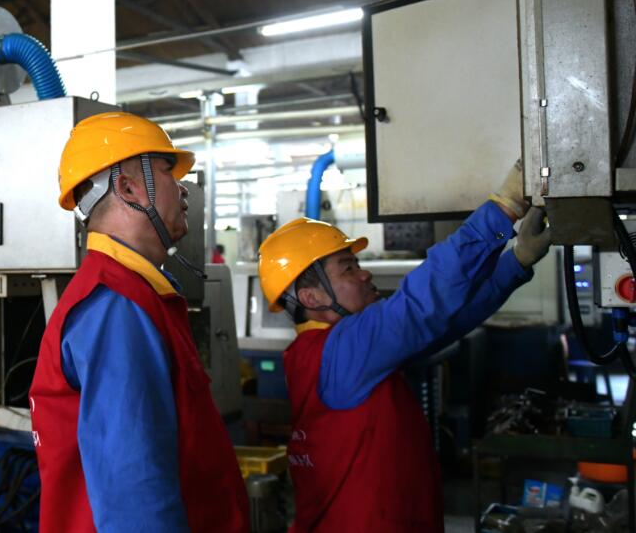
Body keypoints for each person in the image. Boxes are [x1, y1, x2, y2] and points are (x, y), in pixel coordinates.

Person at [257, 161, 552, 532]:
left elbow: (444, 322)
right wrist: (504, 208)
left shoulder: (328, 353)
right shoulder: (342, 351)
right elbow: (423, 299)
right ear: (311, 297)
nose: (364, 273)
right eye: (348, 268)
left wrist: (515, 262)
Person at [29, 112, 248, 533]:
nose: (182, 188)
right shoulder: (117, 306)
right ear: (128, 187)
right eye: (168, 171)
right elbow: (136, 496)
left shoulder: (135, 295)